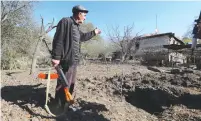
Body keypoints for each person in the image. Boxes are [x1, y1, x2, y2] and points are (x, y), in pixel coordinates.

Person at [51, 5, 101, 109]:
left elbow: (82, 37)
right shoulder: (66, 21)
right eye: (84, 15)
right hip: (66, 61)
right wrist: (56, 57)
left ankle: (66, 103)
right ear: (79, 14)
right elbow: (58, 39)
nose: (85, 18)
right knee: (63, 84)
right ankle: (58, 106)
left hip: (74, 62)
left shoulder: (76, 27)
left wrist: (94, 32)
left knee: (71, 83)